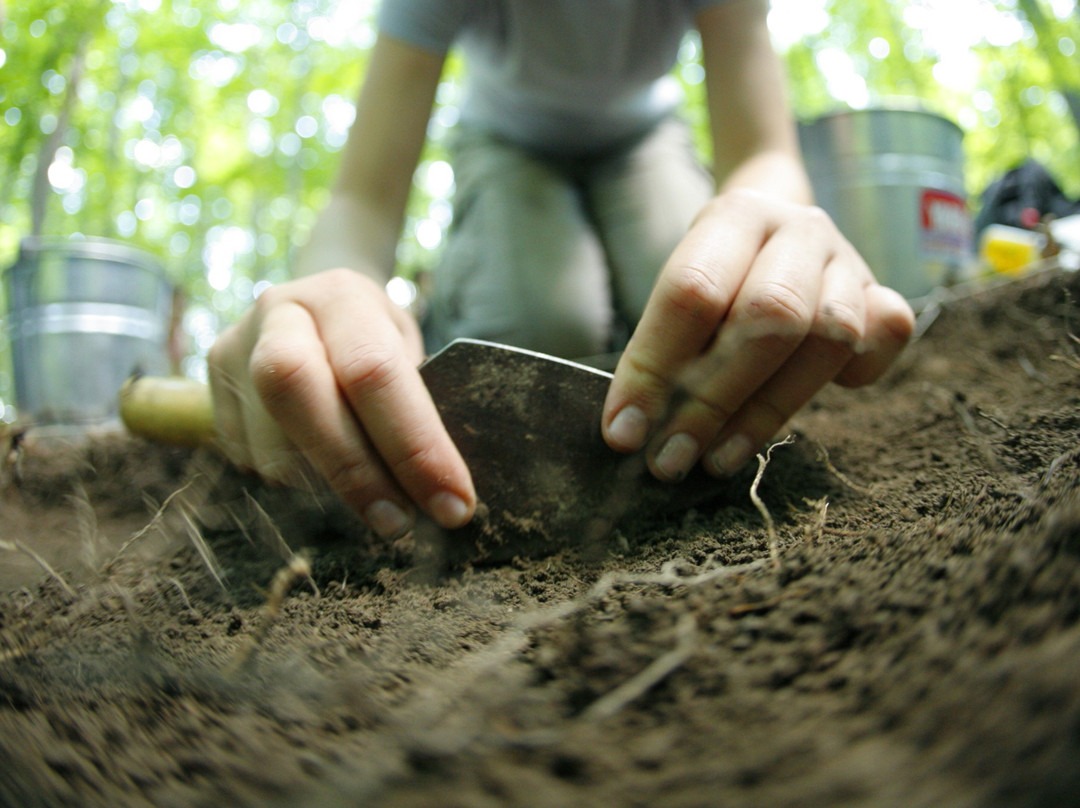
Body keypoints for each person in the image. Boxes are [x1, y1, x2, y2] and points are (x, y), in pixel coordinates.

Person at [207, 0, 915, 542]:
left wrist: (782, 248)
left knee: (705, 304)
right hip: (504, 142)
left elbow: (764, 154)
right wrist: (327, 300)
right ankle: (449, 316)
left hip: (646, 140)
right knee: (541, 320)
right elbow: (362, 200)